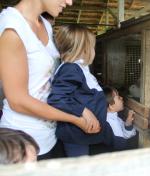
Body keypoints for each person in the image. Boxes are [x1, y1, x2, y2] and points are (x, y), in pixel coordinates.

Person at [0, 0, 100, 160]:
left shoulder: (45, 25)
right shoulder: (13, 28)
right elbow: (17, 101)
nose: (69, 2)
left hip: (50, 135)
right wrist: (76, 118)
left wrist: (81, 108)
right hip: (24, 142)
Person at [47, 24, 108, 157]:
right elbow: (57, 98)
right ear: (84, 48)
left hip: (83, 134)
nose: (93, 49)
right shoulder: (70, 69)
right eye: (92, 46)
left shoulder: (79, 68)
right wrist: (84, 111)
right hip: (76, 137)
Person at [103, 86, 137, 150]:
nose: (121, 97)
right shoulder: (113, 124)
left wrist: (128, 122)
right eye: (118, 97)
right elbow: (121, 146)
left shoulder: (112, 118)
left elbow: (125, 134)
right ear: (111, 106)